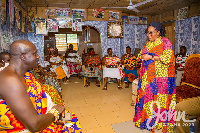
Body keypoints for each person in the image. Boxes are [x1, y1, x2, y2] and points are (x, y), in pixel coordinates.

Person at [0, 40, 82, 132]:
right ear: (23, 56)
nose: (38, 56)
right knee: (70, 126)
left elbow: (38, 97)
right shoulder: (10, 81)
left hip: (40, 115)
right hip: (27, 128)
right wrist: (55, 112)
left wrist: (53, 108)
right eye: (34, 54)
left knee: (70, 117)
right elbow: (34, 125)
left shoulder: (26, 73)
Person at [133, 22, 176, 133]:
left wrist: (151, 56)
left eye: (151, 33)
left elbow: (168, 58)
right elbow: (141, 55)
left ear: (158, 32)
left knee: (161, 100)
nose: (149, 35)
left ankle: (160, 122)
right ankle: (148, 121)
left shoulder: (165, 42)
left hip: (162, 78)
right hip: (148, 78)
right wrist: (141, 56)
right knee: (147, 98)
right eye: (147, 33)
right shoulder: (148, 44)